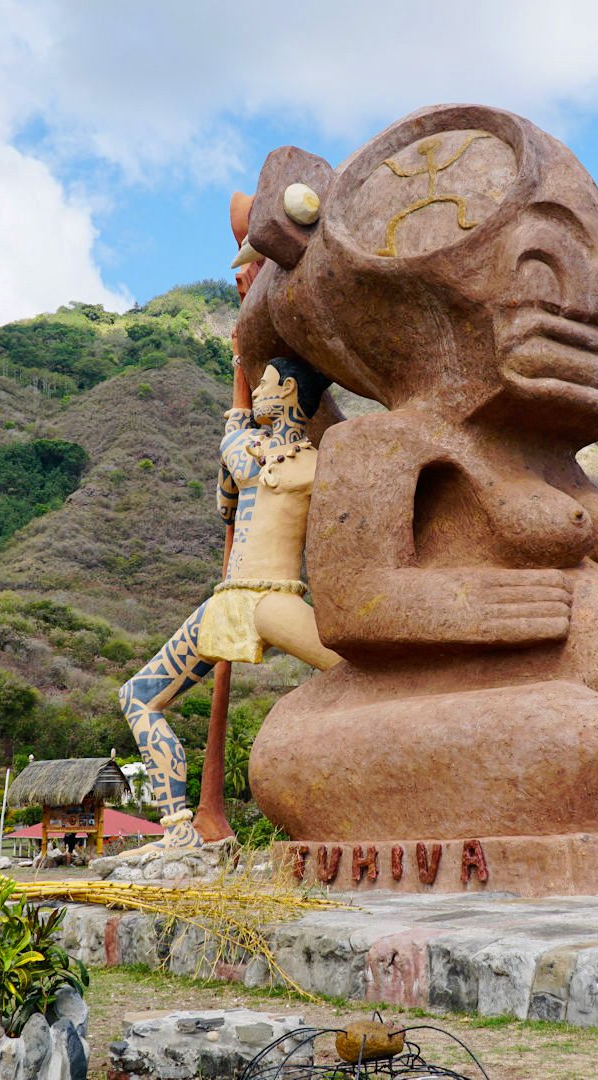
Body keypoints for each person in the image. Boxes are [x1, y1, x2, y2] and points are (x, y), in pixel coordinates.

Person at [115, 357, 341, 852]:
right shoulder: (318, 463)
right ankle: (178, 830)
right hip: (241, 601)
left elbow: (226, 505)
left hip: (262, 598)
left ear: (285, 391)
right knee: (137, 696)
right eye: (255, 383)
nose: (257, 391)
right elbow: (228, 505)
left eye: (264, 383)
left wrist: (237, 418)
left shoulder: (251, 452)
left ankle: (179, 830)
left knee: (355, 675)